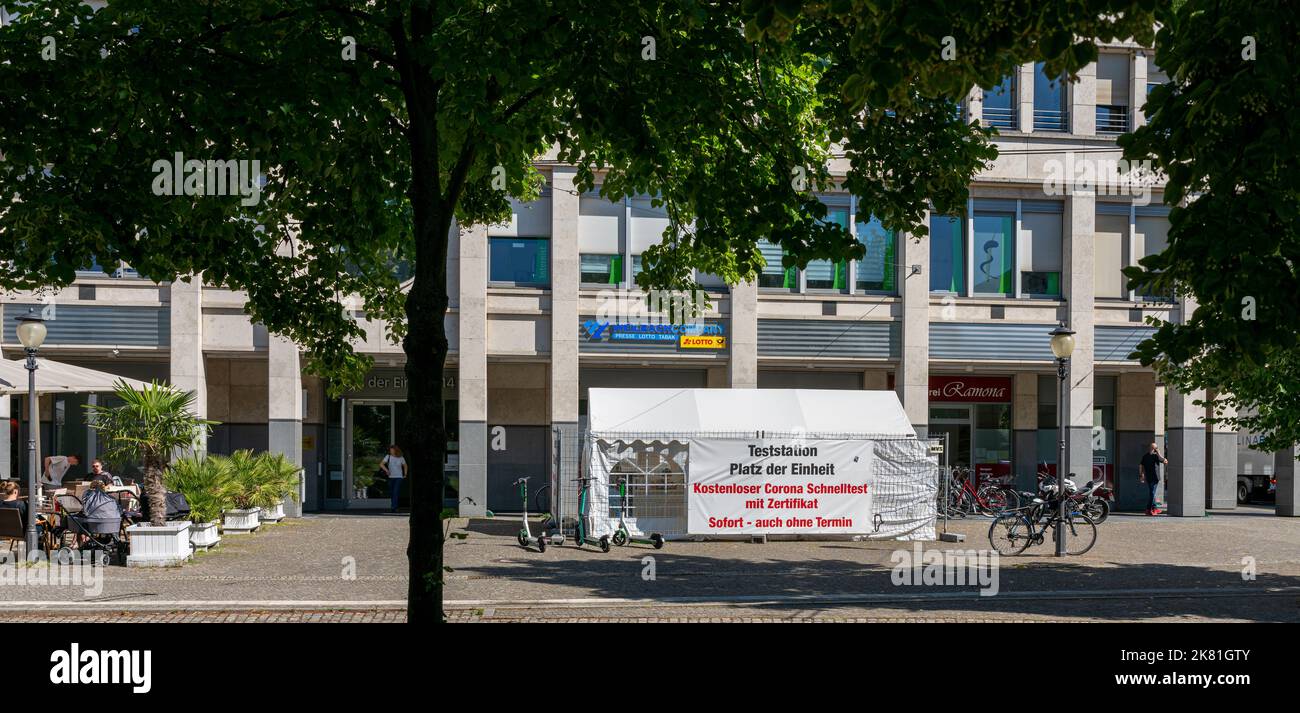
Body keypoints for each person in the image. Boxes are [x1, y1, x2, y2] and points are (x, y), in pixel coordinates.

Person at [1139, 442, 1168, 516]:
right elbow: (1141, 465)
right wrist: (1141, 475)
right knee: (1152, 493)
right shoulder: (1145, 456)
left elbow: (1165, 461)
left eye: (1156, 448)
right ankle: (1151, 508)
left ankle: (1151, 509)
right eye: (1154, 448)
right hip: (1149, 477)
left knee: (1152, 493)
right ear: (1151, 448)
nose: (1155, 449)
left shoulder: (1156, 456)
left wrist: (1158, 453)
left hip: (1155, 477)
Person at [380, 445, 408, 514]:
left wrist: (405, 474)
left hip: (399, 477)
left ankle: (394, 508)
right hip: (391, 477)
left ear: (396, 450)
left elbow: (405, 465)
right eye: (390, 450)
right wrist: (387, 470)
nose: (391, 451)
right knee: (392, 493)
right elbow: (381, 464)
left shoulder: (401, 458)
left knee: (395, 492)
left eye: (392, 450)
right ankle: (394, 507)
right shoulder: (388, 456)